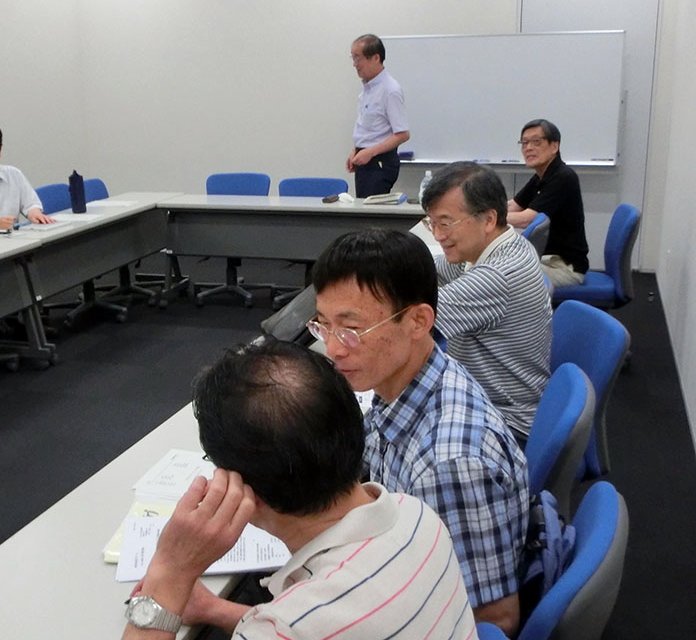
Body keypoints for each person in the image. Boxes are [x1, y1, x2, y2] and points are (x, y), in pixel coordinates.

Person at [122, 339, 477, 640]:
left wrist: (170, 573)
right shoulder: (415, 514)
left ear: (243, 489)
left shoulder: (287, 627)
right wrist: (216, 609)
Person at [309, 228, 529, 636]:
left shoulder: (448, 465)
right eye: (324, 326)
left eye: (351, 329)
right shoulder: (407, 380)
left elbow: (492, 618)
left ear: (418, 321)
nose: (334, 349)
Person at [422, 161, 552, 439]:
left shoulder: (497, 276)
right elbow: (429, 269)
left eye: (445, 223)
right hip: (489, 398)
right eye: (432, 224)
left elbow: (411, 321)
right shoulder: (504, 245)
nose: (438, 235)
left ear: (489, 219)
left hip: (504, 420)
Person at [507, 119, 590, 288]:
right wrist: (481, 210)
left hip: (564, 268)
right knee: (497, 267)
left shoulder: (563, 177)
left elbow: (526, 219)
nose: (528, 148)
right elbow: (513, 206)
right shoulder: (541, 176)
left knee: (501, 275)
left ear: (554, 146)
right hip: (546, 260)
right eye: (524, 143)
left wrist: (484, 219)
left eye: (536, 142)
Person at [346, 34, 410, 197]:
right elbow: (370, 129)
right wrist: (356, 150)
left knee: (369, 211)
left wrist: (370, 152)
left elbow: (402, 134)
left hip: (379, 162)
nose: (355, 64)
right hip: (365, 159)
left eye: (358, 58)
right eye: (353, 58)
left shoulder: (390, 90)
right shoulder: (368, 89)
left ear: (375, 58)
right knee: (362, 207)